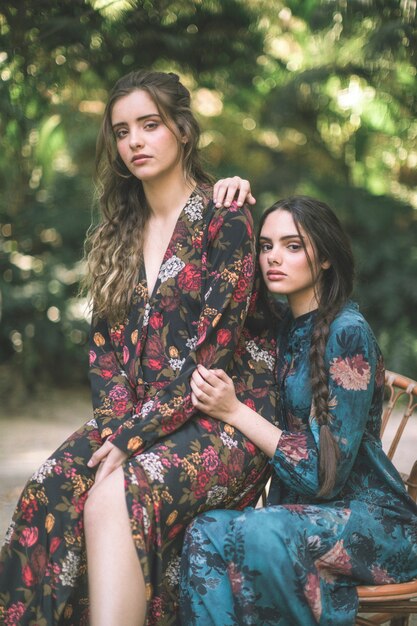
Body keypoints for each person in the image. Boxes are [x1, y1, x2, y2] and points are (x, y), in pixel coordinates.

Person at [0, 70, 277, 626]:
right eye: (123, 131)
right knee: (48, 491)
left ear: (182, 130)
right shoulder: (115, 233)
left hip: (220, 415)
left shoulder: (226, 217)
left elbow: (211, 357)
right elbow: (103, 355)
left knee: (115, 495)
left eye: (150, 125)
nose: (135, 142)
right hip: (134, 417)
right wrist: (116, 431)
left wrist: (128, 444)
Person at [180, 195, 417, 626]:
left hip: (375, 527)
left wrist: (234, 411)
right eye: (266, 245)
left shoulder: (348, 335)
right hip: (298, 519)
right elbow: (203, 272)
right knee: (204, 532)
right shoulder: (283, 325)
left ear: (324, 257)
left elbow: (322, 477)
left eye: (292, 246)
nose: (273, 257)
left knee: (264, 532)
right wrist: (227, 195)